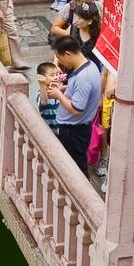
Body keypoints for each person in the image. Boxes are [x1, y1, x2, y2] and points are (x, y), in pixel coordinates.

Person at [41, 35, 102, 170]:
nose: (61, 64)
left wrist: (58, 95)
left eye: (60, 58)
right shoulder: (90, 65)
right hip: (77, 128)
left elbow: (76, 109)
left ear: (68, 54)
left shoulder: (83, 77)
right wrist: (64, 89)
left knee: (75, 168)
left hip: (73, 131)